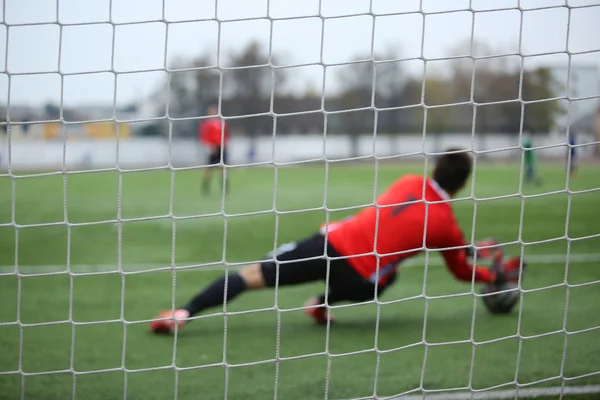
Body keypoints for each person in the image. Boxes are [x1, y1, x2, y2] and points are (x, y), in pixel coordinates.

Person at [150, 149, 525, 334]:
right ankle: (320, 303)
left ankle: (183, 313)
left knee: (250, 276)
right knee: (389, 273)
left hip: (330, 242)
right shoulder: (446, 226)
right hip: (359, 277)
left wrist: (467, 247)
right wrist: (491, 277)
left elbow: (408, 223)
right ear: (463, 185)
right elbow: (458, 268)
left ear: (434, 169)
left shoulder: (410, 182)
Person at [199, 105, 230, 195]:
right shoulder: (206, 124)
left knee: (222, 168)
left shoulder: (221, 123)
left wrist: (226, 144)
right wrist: (209, 146)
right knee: (209, 168)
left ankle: (224, 187)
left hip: (221, 147)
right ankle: (206, 187)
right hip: (212, 148)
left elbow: (226, 134)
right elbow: (204, 137)